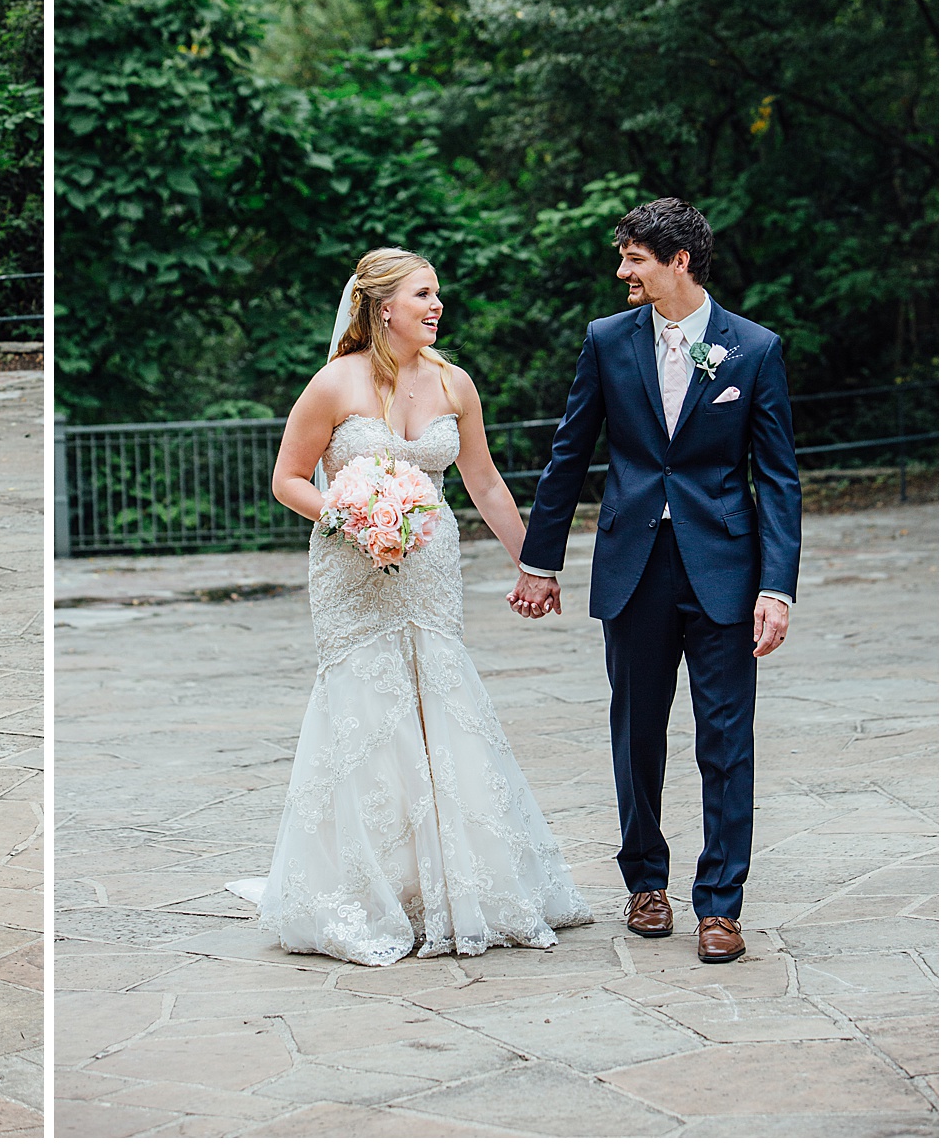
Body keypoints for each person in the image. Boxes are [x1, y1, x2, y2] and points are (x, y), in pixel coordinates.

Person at [228, 247, 591, 965]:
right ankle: (368, 887)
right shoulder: (335, 384)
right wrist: (348, 516)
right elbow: (287, 478)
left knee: (438, 708)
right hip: (350, 571)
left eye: (438, 296)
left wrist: (535, 562)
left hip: (430, 568)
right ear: (382, 307)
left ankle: (451, 884)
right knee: (366, 712)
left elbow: (484, 484)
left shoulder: (456, 382)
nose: (437, 307)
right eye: (423, 295)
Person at [511, 197, 800, 964]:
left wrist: (778, 586)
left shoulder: (755, 348)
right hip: (633, 566)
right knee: (636, 735)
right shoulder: (607, 341)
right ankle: (645, 882)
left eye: (635, 258)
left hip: (727, 574)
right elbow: (569, 454)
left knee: (727, 742)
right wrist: (541, 562)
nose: (621, 271)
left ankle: (721, 905)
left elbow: (777, 480)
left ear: (680, 261)